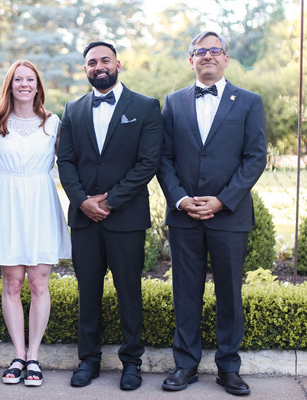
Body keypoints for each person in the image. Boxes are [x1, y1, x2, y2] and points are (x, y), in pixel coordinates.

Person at [157, 31, 267, 396]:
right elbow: (164, 158)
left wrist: (222, 200)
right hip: (184, 216)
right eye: (200, 51)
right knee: (185, 293)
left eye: (214, 50)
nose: (207, 56)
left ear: (226, 59)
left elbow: (255, 158)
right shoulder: (173, 102)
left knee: (229, 295)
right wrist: (180, 199)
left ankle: (228, 368)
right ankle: (185, 366)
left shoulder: (249, 102)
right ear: (191, 60)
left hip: (230, 216)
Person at [57, 41, 163, 390]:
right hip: (84, 217)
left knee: (128, 292)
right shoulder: (72, 108)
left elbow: (147, 162)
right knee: (88, 292)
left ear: (118, 64)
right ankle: (88, 360)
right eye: (91, 62)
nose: (98, 66)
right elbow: (66, 161)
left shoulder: (146, 106)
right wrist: (82, 200)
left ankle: (131, 362)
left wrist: (111, 201)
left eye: (104, 60)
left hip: (127, 217)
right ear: (85, 69)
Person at [0, 60, 72, 387]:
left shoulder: (53, 122)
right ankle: (17, 355)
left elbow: (70, 165)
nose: (23, 84)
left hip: (41, 200)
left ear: (37, 86)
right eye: (17, 79)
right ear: (9, 85)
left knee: (38, 282)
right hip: (8, 201)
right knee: (12, 282)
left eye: (29, 79)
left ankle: (34, 356)